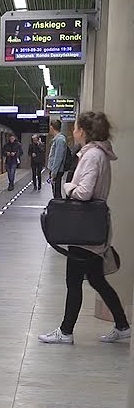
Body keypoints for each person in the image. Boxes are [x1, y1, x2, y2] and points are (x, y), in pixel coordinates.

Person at [39, 111, 131, 344]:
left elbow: (84, 192)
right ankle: (121, 325)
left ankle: (66, 332)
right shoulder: (98, 154)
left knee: (73, 281)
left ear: (85, 131)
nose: (74, 131)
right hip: (91, 229)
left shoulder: (92, 156)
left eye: (77, 127)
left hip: (84, 231)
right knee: (97, 280)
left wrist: (68, 187)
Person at [46, 118, 69, 199]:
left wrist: (53, 173)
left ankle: (58, 209)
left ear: (52, 128)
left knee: (56, 193)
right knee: (55, 191)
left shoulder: (60, 140)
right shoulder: (58, 139)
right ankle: (57, 208)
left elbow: (58, 158)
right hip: (56, 170)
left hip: (57, 171)